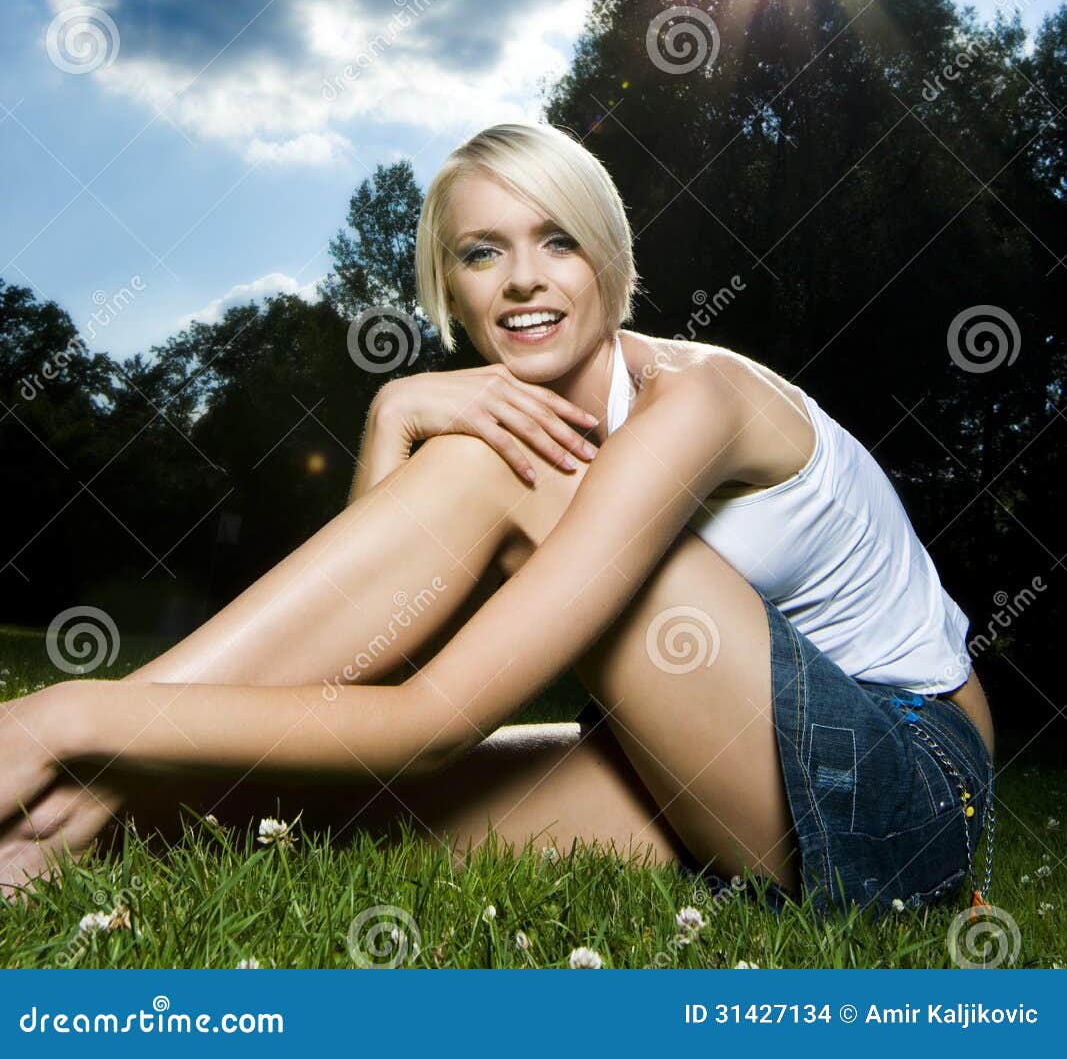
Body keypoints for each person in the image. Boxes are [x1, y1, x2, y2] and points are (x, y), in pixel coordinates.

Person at [0, 122, 995, 914]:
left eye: (557, 239)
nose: (522, 278)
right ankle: (63, 817)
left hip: (906, 790)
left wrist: (63, 719)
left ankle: (60, 767)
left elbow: (428, 720)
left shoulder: (695, 402)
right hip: (713, 764)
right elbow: (363, 659)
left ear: (608, 257)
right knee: (312, 819)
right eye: (483, 252)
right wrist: (390, 415)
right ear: (451, 288)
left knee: (482, 465)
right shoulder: (525, 437)